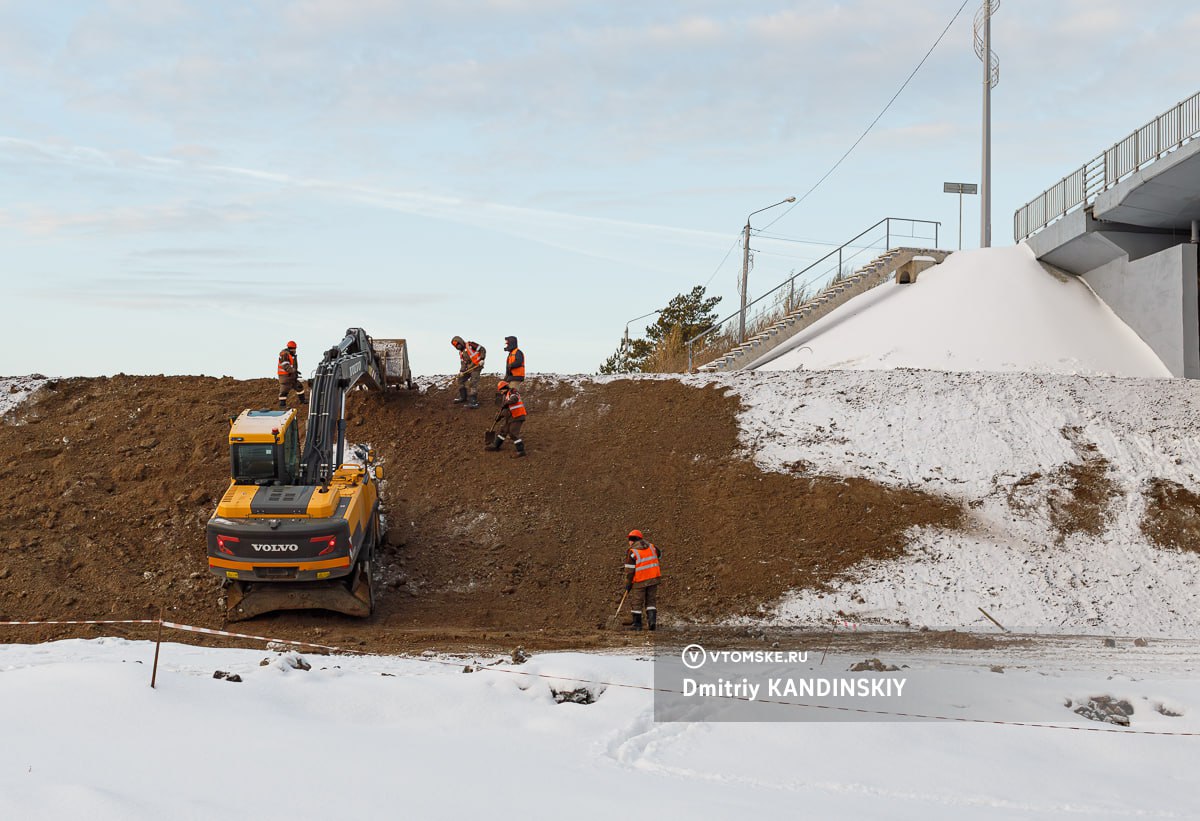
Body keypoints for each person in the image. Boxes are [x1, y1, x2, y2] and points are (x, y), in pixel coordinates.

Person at [623, 529, 662, 631]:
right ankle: (652, 622)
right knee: (651, 601)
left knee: (637, 602)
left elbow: (629, 571)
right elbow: (659, 554)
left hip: (640, 581)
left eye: (630, 540)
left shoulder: (632, 552)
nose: (629, 542)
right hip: (653, 579)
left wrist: (628, 584)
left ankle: (637, 625)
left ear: (632, 540)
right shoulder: (652, 547)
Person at [486, 380, 527, 457]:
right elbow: (504, 409)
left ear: (504, 388)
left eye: (501, 390)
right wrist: (499, 416)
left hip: (518, 416)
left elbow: (514, 399)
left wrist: (506, 403)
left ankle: (521, 451)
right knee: (503, 430)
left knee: (513, 433)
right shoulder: (505, 396)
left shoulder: (513, 391)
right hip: (511, 417)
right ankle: (496, 445)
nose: (500, 392)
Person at [451, 335, 486, 409]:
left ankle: (473, 401)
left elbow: (482, 349)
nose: (457, 347)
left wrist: (482, 359)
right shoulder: (461, 353)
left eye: (458, 344)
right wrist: (461, 371)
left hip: (476, 366)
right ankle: (463, 397)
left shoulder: (470, 344)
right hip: (468, 369)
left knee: (473, 382)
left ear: (460, 342)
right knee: (460, 380)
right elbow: (463, 363)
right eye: (456, 346)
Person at [277, 341, 307, 409]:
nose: (295, 350)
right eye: (294, 349)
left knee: (299, 387)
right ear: (291, 348)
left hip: (292, 377)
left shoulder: (291, 355)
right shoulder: (284, 354)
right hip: (285, 377)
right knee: (284, 391)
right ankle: (282, 405)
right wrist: (293, 370)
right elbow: (285, 365)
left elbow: (292, 366)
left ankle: (303, 400)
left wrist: (295, 371)